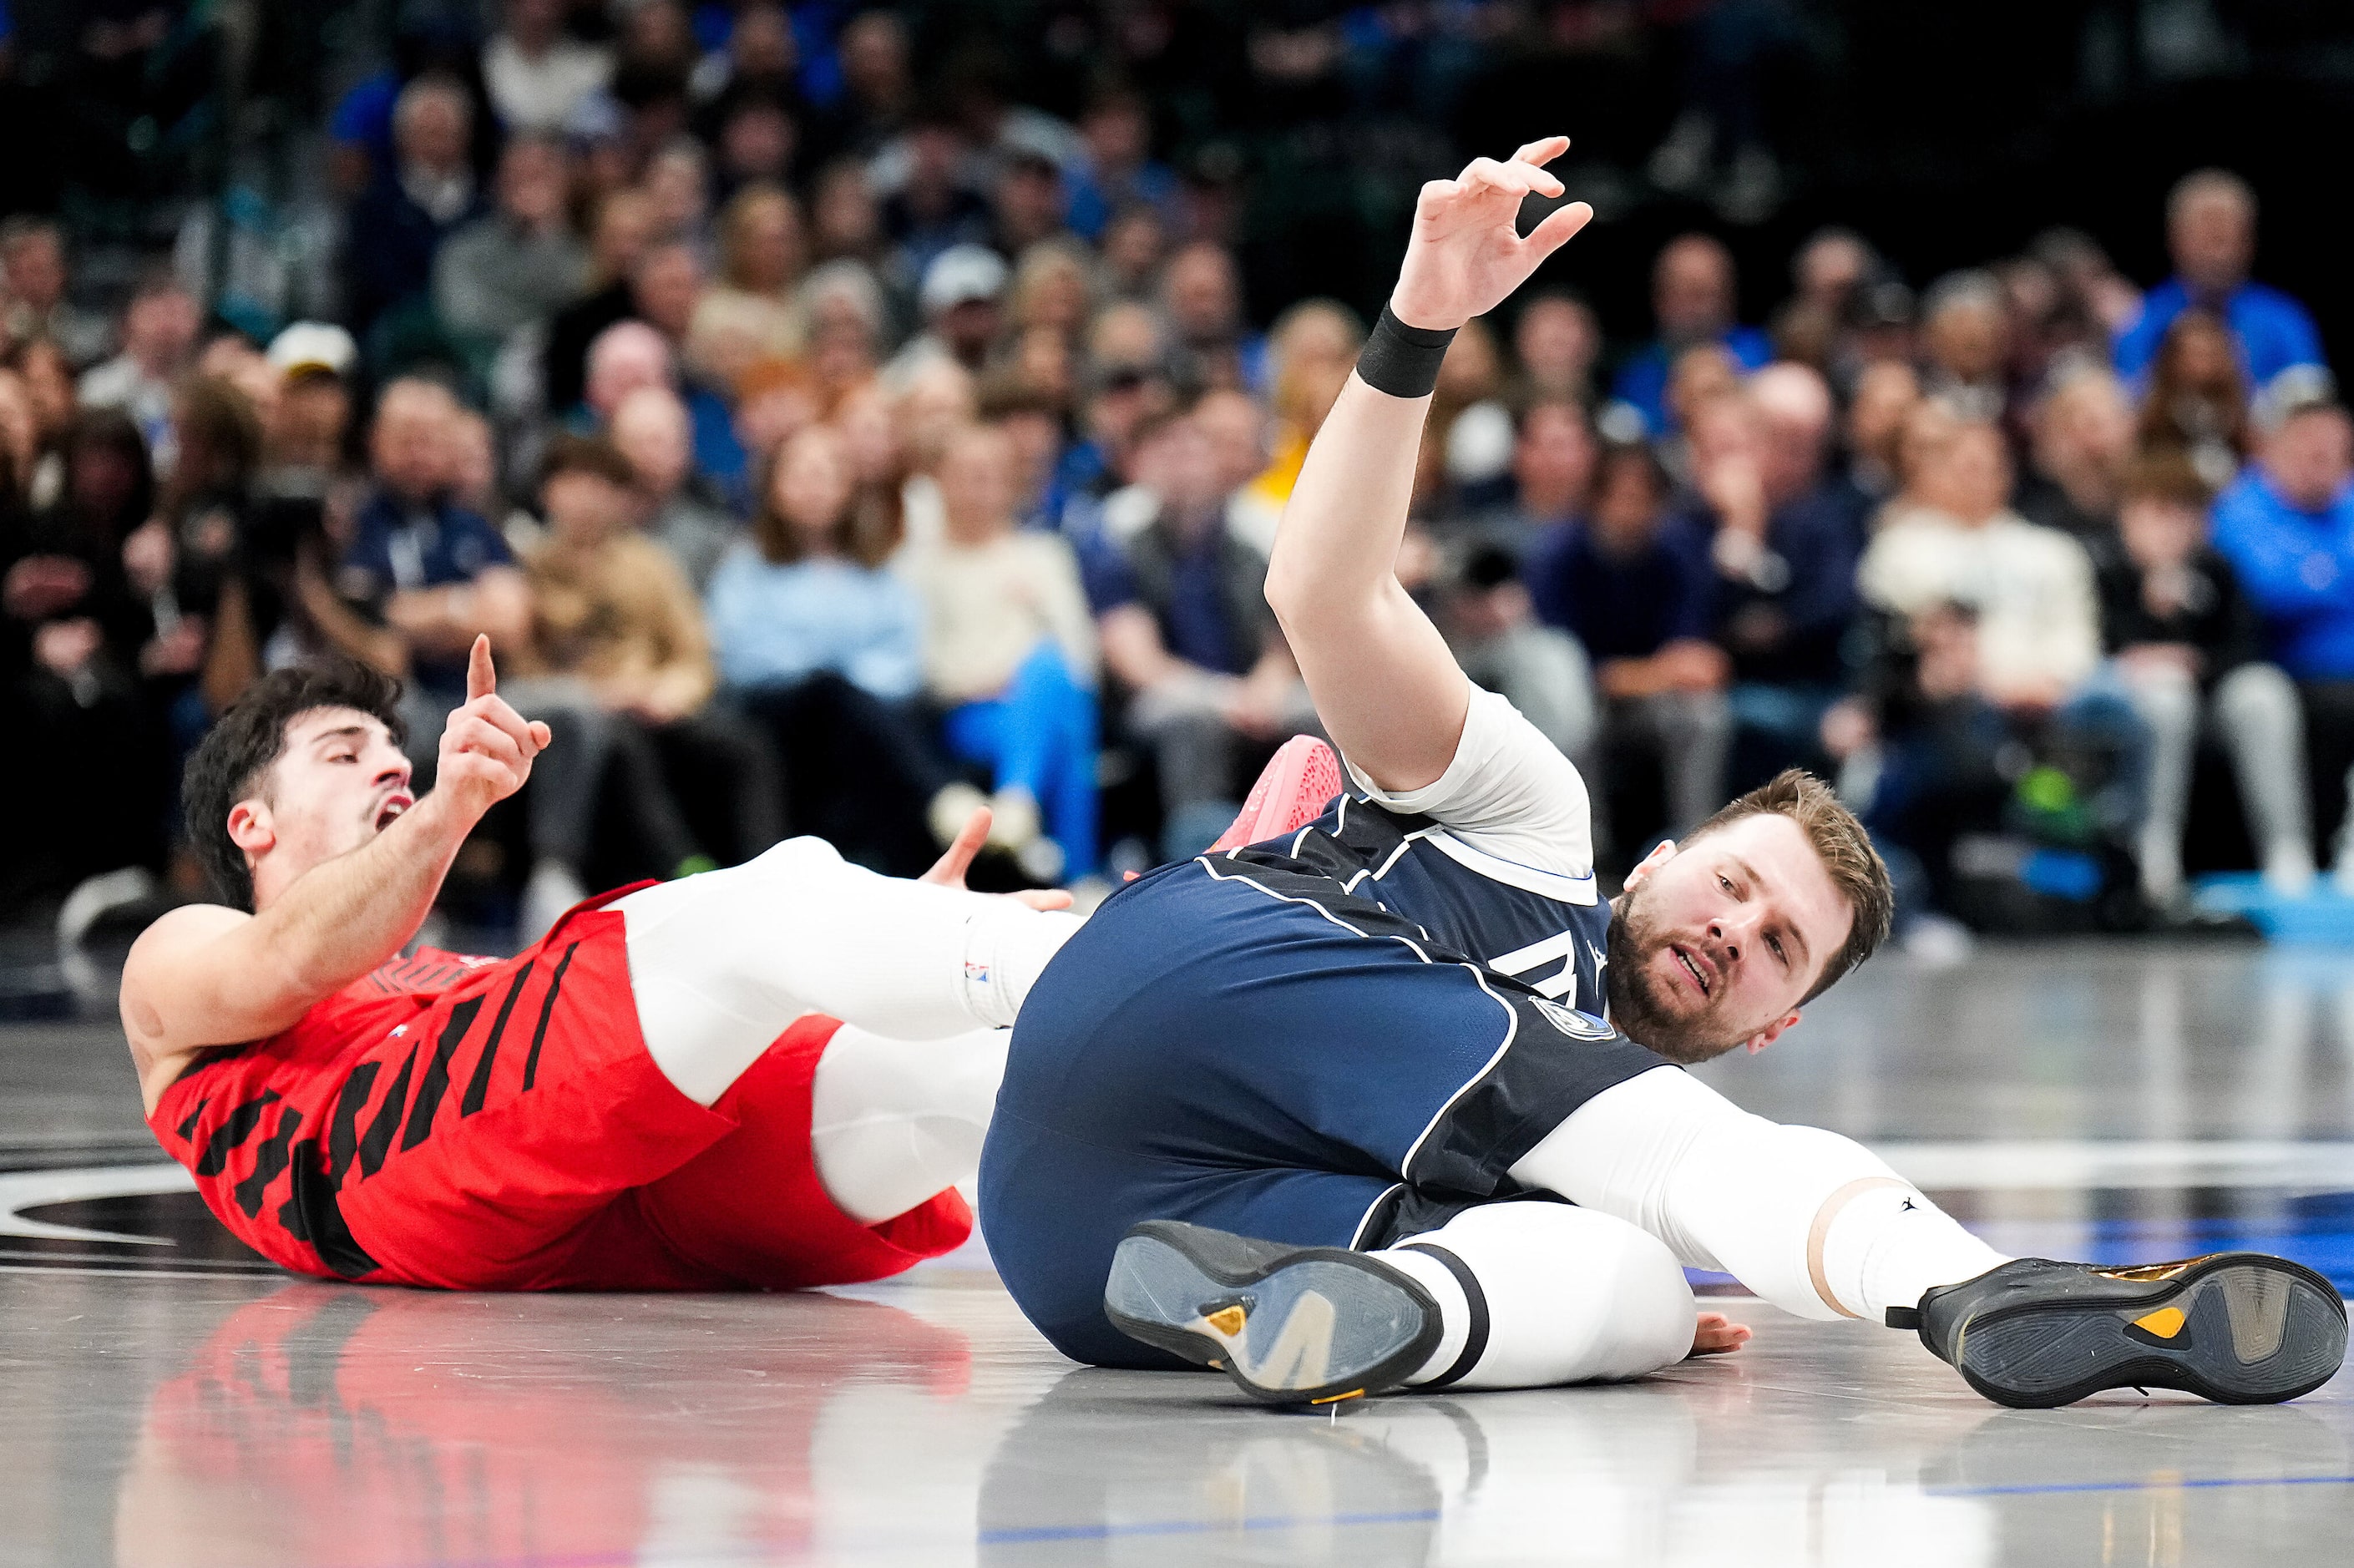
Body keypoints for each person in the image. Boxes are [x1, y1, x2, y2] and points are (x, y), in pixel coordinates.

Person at [980, 139, 2344, 1414]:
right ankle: (1973, 1287)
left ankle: (1362, 1303)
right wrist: (1415, 326)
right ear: (1653, 862)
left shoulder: (1591, 1132)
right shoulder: (1527, 822)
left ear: (1772, 1028)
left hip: (1084, 1248)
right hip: (1203, 975)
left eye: (1772, 948)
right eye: (1734, 883)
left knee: (1637, 1288)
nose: (1727, 930)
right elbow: (1317, 590)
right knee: (1674, 1182)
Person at [123, 644, 1081, 1293]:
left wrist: (885, 944)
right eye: (344, 753)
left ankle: (1213, 1138)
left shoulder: (443, 974)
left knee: (959, 1074)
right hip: (375, 1168)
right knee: (775, 892)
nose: (393, 771)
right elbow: (290, 955)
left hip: (588, 1218)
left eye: (396, 757)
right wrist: (451, 808)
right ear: (251, 825)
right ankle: (1129, 964)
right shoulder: (179, 950)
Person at [2098, 453, 2313, 902]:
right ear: (2129, 516)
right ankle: (2154, 853)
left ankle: (2288, 850)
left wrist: (2191, 657)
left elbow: (2245, 648)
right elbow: (2103, 649)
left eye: (2183, 515)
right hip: (2137, 707)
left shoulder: (2218, 570)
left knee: (2264, 692)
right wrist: (2152, 620)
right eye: (2157, 513)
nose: (2170, 529)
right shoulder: (2108, 570)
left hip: (2213, 700)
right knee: (2166, 697)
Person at [900, 422, 1099, 882]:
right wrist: (979, 680)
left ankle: (1017, 801)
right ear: (940, 482)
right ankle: (1078, 874)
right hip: (970, 711)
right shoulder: (919, 569)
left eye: (991, 474)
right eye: (967, 474)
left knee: (1050, 671)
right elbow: (919, 666)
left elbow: (1081, 657)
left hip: (1042, 693)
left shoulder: (1043, 554)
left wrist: (1028, 668)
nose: (979, 487)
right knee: (1064, 718)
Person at [1524, 438, 1730, 844]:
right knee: (1571, 714)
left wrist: (1656, 674)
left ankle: (1693, 841)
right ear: (1595, 500)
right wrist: (1659, 672)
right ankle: (1579, 844)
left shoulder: (1674, 554)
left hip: (1648, 701)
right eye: (1621, 498)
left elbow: (1698, 661)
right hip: (1577, 698)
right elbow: (1565, 668)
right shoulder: (1560, 556)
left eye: (1644, 499)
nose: (1632, 512)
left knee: (1703, 716)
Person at [2209, 395, 2354, 882]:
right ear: (2275, 448)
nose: (2326, 464)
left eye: (2337, 453)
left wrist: (2317, 579)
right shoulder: (2240, 508)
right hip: (2278, 667)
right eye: (2312, 451)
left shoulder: (2349, 504)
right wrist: (2335, 582)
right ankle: (2286, 852)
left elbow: (2302, 582)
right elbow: (2269, 590)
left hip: (2344, 674)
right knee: (2267, 700)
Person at [2114, 169, 2325, 393]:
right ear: (2174, 239)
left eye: (2225, 237)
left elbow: (2311, 405)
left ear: (2249, 242)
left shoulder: (2285, 320)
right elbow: (2127, 407)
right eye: (2207, 237)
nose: (2218, 254)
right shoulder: (2139, 320)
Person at [1608, 234, 1772, 437]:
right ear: (1659, 299)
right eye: (1684, 293)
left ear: (1729, 297)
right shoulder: (1637, 374)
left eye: (1704, 294)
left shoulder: (1763, 358)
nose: (1696, 309)